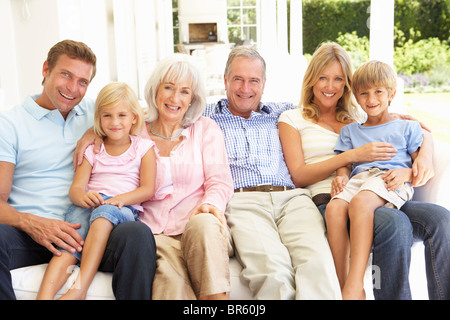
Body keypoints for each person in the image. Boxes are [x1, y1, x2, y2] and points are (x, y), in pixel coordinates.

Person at [279, 42, 450, 299]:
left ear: (347, 85)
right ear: (311, 79)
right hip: (335, 196)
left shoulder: (354, 118)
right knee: (394, 224)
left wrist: (423, 157)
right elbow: (299, 174)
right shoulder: (293, 118)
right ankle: (354, 287)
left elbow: (407, 128)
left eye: (338, 79)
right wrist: (350, 160)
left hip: (385, 188)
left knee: (440, 220)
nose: (330, 86)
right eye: (323, 77)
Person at [0, 40, 156, 300]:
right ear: (45, 69)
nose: (73, 89)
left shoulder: (94, 112)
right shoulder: (9, 125)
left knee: (137, 233)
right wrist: (33, 224)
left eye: (83, 81)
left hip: (93, 229)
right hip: (33, 235)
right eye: (66, 75)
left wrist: (91, 130)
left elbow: (134, 120)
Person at [75, 53, 234, 300]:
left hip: (196, 220)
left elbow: (219, 181)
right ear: (155, 91)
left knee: (204, 225)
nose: (174, 98)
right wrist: (90, 133)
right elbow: (110, 122)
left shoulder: (206, 129)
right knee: (171, 286)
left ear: (193, 98)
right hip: (153, 230)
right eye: (168, 88)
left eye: (184, 91)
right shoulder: (135, 129)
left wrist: (210, 205)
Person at [204, 46, 342, 299]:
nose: (246, 88)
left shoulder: (284, 112)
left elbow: (348, 115)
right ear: (225, 81)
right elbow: (154, 118)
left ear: (264, 84)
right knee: (272, 272)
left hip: (293, 199)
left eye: (253, 80)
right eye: (238, 79)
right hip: (243, 202)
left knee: (318, 264)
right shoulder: (205, 116)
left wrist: (398, 119)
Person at [36, 82, 157, 300]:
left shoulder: (143, 148)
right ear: (99, 119)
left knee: (103, 216)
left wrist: (118, 200)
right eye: (107, 116)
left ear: (134, 118)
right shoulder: (92, 149)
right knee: (67, 244)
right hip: (89, 206)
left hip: (121, 208)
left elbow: (148, 189)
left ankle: (80, 289)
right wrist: (83, 197)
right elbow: (76, 189)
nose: (115, 122)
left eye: (122, 115)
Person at [326, 60, 423, 299]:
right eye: (364, 93)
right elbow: (345, 164)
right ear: (356, 98)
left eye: (378, 91)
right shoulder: (350, 131)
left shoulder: (406, 127)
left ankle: (354, 282)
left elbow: (419, 162)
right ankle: (346, 285)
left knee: (360, 202)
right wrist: (341, 178)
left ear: (391, 93)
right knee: (334, 207)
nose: (371, 99)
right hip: (360, 181)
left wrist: (408, 173)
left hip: (390, 179)